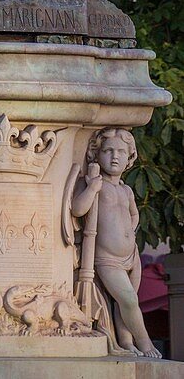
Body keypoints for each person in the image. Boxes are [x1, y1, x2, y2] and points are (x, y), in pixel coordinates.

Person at [72, 129, 160, 358]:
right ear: (96, 154)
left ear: (130, 157)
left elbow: (134, 215)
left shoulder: (127, 190)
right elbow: (78, 209)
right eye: (108, 150)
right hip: (106, 258)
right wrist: (92, 188)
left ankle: (127, 342)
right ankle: (146, 343)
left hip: (131, 257)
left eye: (122, 152)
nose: (115, 156)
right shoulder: (92, 182)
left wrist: (129, 231)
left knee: (125, 302)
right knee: (129, 300)